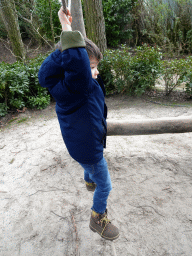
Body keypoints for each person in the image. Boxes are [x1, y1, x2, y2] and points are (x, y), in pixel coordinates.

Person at [38, 6, 119, 241]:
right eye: (91, 67)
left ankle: (87, 177)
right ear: (77, 70)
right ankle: (97, 218)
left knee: (90, 169)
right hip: (88, 148)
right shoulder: (77, 85)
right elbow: (77, 66)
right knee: (105, 186)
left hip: (81, 143)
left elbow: (51, 70)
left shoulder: (66, 87)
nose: (95, 72)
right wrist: (66, 28)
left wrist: (66, 46)